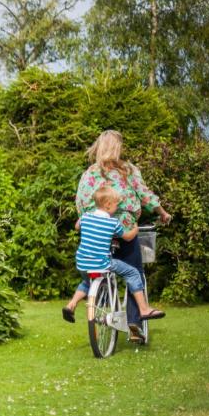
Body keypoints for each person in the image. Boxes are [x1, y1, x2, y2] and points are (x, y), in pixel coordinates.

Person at [73, 130, 172, 339]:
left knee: (98, 269)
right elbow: (145, 195)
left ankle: (99, 305)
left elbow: (80, 203)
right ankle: (135, 322)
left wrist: (87, 222)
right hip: (124, 229)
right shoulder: (127, 170)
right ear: (117, 147)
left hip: (97, 231)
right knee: (134, 272)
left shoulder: (89, 173)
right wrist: (162, 212)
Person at [62, 185, 165, 322]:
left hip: (82, 263)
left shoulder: (86, 216)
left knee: (87, 282)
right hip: (102, 262)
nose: (117, 208)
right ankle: (144, 309)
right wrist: (135, 228)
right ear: (108, 205)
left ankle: (71, 305)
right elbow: (127, 237)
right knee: (133, 272)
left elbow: (76, 226)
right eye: (117, 205)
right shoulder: (112, 223)